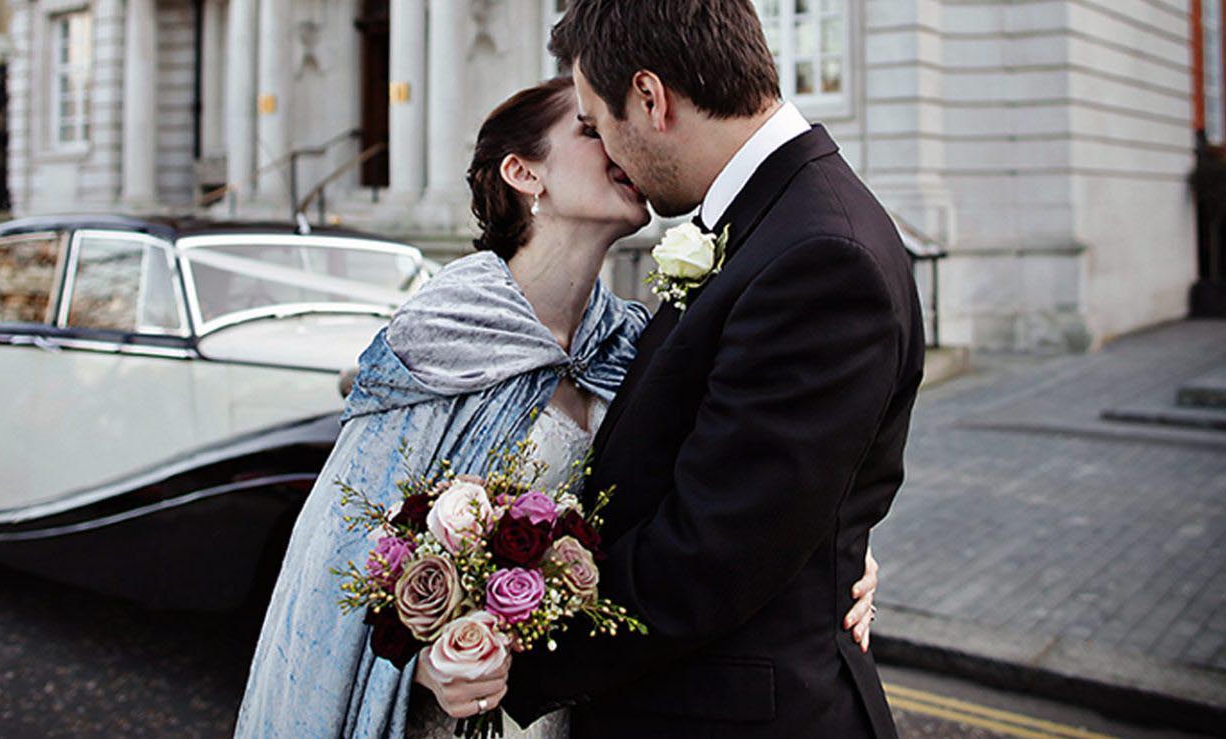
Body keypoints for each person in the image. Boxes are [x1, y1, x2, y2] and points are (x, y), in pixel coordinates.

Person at [233, 73, 882, 739]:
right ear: (523, 172)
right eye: (588, 128)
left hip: (585, 707)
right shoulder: (442, 333)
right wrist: (426, 663)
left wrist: (831, 550)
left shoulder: (632, 342)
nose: (616, 143)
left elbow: (730, 493)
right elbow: (345, 557)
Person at [469, 2, 924, 737]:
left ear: (651, 99)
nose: (611, 153)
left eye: (599, 120)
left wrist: (499, 651)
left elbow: (710, 556)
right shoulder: (767, 217)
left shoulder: (820, 255)